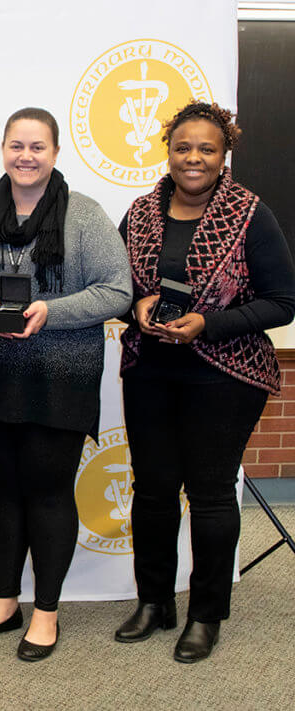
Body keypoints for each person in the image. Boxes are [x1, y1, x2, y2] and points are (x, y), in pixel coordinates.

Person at [114, 101, 295, 663]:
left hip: (225, 375)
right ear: (167, 151)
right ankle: (154, 602)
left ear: (224, 156)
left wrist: (207, 324)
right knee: (152, 491)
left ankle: (206, 612)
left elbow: (282, 302)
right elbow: (113, 286)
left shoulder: (250, 214)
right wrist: (135, 305)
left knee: (212, 494)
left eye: (206, 149)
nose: (193, 158)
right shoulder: (141, 213)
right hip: (150, 371)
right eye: (182, 147)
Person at [0, 108, 131, 661]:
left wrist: (47, 311)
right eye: (16, 145)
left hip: (60, 381)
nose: (25, 156)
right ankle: (5, 604)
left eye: (37, 146)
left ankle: (46, 612)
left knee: (50, 493)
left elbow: (117, 291)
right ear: (2, 149)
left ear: (55, 153)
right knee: (1, 491)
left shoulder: (85, 216)